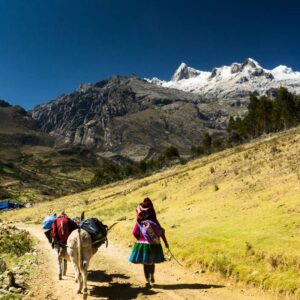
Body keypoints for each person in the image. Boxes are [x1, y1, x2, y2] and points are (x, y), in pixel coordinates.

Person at [129, 197, 169, 287]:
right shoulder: (154, 221)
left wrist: (139, 239)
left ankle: (147, 281)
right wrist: (166, 243)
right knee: (152, 262)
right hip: (154, 245)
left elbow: (134, 232)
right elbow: (161, 232)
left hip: (142, 245)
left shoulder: (140, 222)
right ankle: (152, 275)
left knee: (145, 263)